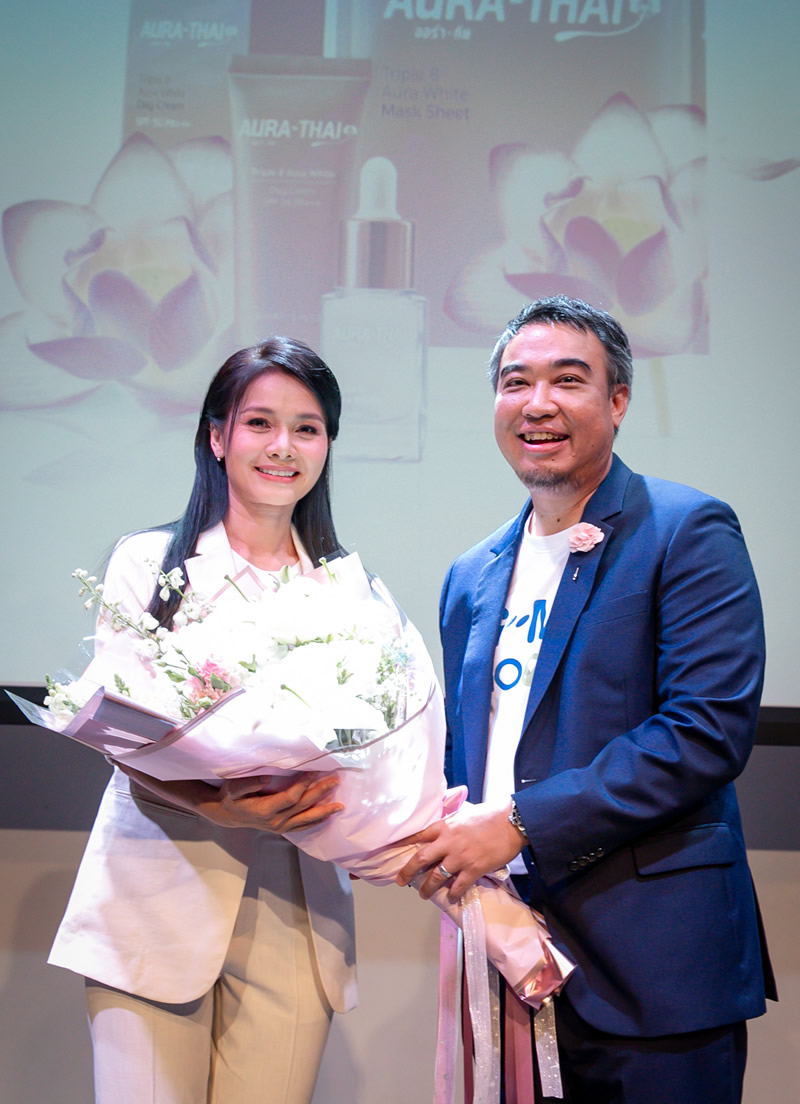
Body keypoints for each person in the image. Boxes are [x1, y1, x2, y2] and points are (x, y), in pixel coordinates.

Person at [398, 296, 775, 1102]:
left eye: (568, 380)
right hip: (510, 954)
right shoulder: (471, 575)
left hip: (653, 970)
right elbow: (469, 758)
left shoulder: (686, 530)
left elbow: (705, 731)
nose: (537, 404)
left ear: (618, 400)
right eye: (515, 382)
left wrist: (520, 824)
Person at [50, 337, 361, 1104]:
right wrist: (215, 802)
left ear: (326, 445)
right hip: (155, 884)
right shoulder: (148, 563)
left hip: (297, 900)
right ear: (218, 437)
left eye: (307, 428)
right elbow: (123, 735)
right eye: (259, 423)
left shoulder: (348, 590)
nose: (283, 446)